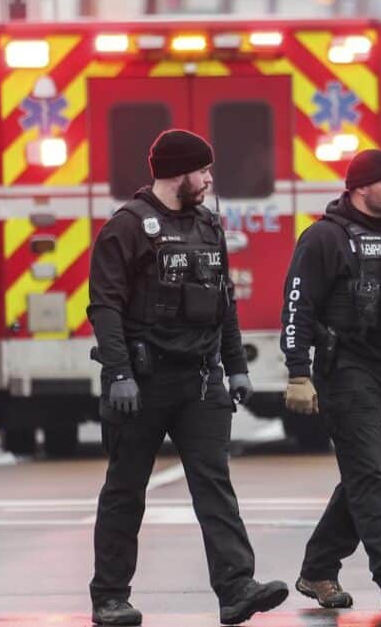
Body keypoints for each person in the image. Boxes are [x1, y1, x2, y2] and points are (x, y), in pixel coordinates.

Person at [87, 129, 287, 626]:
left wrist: (236, 366)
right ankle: (110, 596)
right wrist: (118, 375)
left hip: (200, 381)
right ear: (178, 172)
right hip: (142, 383)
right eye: (203, 171)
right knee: (125, 490)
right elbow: (104, 306)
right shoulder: (127, 228)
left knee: (214, 485)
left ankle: (237, 588)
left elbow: (224, 303)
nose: (209, 179)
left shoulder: (206, 225)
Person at [279, 148, 381, 610]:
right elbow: (297, 307)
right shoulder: (324, 239)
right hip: (347, 371)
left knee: (368, 476)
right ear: (359, 188)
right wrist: (298, 372)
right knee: (368, 475)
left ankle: (318, 568)